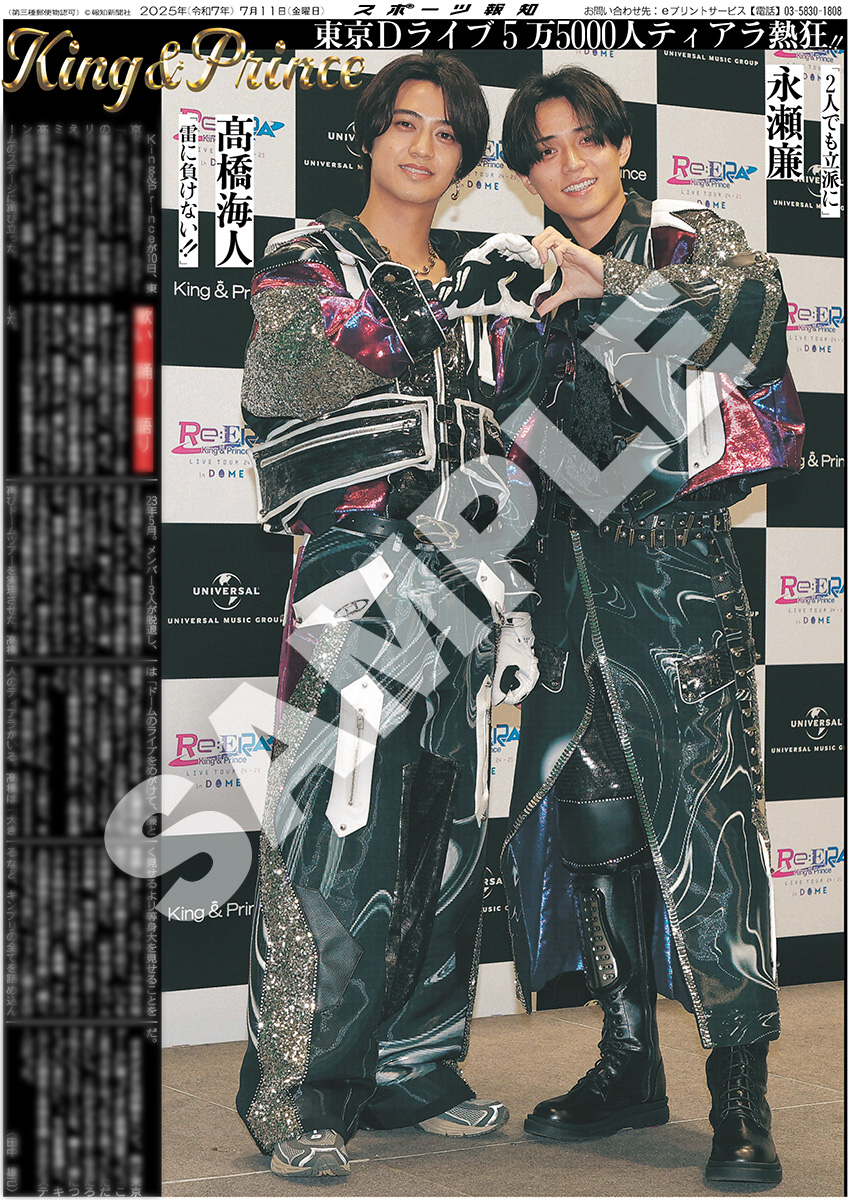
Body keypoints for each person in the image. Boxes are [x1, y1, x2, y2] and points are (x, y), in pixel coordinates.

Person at [235, 53, 542, 1180]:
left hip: (467, 580)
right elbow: (285, 390)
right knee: (335, 824)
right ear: (368, 136)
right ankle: (299, 1096)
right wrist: (452, 341)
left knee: (441, 825)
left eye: (446, 132)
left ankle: (412, 1067)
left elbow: (513, 444)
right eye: (404, 124)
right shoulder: (308, 258)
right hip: (357, 576)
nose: (422, 147)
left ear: (465, 159)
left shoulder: (482, 281)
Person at [496, 66, 804, 1185]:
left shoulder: (686, 239)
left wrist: (610, 283)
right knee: (594, 833)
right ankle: (628, 1060)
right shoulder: (516, 282)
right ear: (522, 172)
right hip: (569, 599)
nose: (568, 164)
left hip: (677, 585)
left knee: (711, 833)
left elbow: (747, 321)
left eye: (587, 139)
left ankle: (739, 1093)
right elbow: (514, 448)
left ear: (622, 147)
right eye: (543, 149)